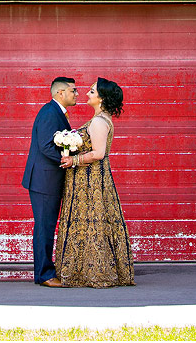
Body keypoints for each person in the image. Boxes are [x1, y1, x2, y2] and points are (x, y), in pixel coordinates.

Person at [54, 77, 135, 287]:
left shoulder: (99, 122)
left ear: (101, 98)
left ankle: (96, 272)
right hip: (86, 178)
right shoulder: (100, 118)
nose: (87, 94)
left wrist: (74, 159)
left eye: (92, 91)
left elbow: (98, 153)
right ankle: (84, 271)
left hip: (91, 178)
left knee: (93, 223)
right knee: (91, 223)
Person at [22, 76, 78, 286]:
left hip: (48, 180)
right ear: (60, 93)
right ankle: (45, 274)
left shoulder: (56, 112)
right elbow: (46, 146)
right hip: (43, 180)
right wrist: (67, 160)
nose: (76, 94)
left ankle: (44, 272)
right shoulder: (49, 113)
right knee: (44, 226)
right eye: (73, 90)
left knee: (46, 225)